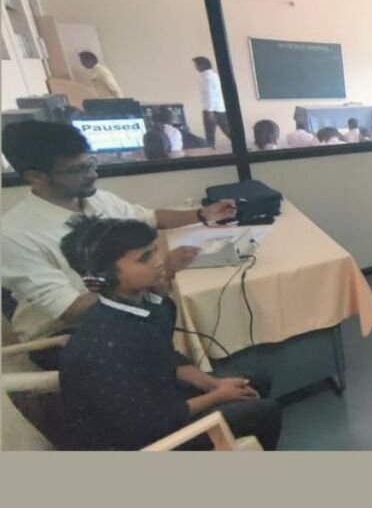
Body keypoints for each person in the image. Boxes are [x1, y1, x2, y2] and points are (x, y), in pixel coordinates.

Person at [1, 121, 237, 349]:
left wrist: (202, 214)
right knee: (189, 321)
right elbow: (71, 310)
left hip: (129, 311)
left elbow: (151, 218)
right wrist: (158, 270)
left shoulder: (97, 200)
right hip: (69, 336)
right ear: (36, 177)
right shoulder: (14, 235)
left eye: (91, 163)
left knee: (208, 313)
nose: (92, 174)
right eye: (78, 169)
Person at [58, 216, 281, 450]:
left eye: (154, 251)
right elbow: (149, 423)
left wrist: (213, 384)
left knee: (256, 379)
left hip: (158, 399)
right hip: (136, 440)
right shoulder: (108, 344)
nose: (158, 261)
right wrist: (217, 396)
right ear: (103, 278)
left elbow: (167, 360)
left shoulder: (149, 304)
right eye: (145, 258)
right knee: (264, 412)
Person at [192, 56, 231, 149]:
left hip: (212, 110)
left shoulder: (207, 78)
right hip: (220, 108)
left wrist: (209, 111)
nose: (195, 67)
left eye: (196, 65)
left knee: (210, 135)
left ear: (201, 65)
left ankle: (210, 152)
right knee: (228, 131)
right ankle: (241, 146)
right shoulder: (214, 76)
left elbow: (209, 95)